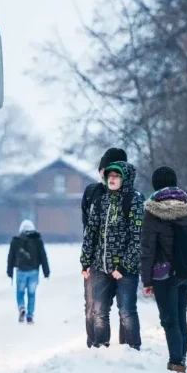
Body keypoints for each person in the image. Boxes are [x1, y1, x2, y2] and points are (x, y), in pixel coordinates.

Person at [140, 166, 187, 373]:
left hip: (164, 274)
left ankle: (176, 363)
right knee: (181, 317)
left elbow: (147, 249)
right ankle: (180, 359)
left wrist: (146, 280)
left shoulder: (153, 211)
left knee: (169, 320)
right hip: (185, 272)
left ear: (155, 185)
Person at [80, 160, 144, 350]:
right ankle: (101, 347)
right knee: (99, 311)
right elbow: (91, 233)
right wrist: (86, 261)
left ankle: (133, 348)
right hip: (101, 266)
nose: (112, 179)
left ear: (125, 178)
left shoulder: (134, 200)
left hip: (126, 269)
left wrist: (124, 266)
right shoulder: (101, 201)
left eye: (116, 176)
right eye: (110, 176)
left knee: (126, 311)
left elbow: (137, 237)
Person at [80, 148, 127, 347]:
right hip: (95, 259)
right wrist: (88, 257)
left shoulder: (130, 195)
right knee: (93, 306)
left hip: (123, 260)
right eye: (104, 170)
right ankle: (95, 345)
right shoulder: (92, 192)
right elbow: (87, 226)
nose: (107, 175)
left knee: (125, 308)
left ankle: (127, 347)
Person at [7, 219, 50, 325]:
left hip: (20, 271)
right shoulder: (37, 240)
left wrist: (10, 271)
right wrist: (46, 271)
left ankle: (21, 307)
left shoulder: (16, 241)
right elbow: (43, 256)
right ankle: (30, 317)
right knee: (31, 294)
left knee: (20, 292)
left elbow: (11, 257)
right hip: (34, 271)